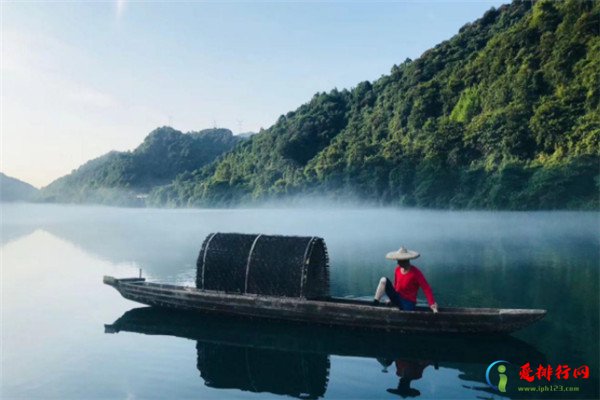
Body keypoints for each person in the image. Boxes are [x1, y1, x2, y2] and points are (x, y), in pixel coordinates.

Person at [373, 246, 438, 313]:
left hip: (408, 303)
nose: (397, 263)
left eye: (399, 261)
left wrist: (432, 303)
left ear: (405, 260)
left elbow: (426, 288)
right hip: (398, 298)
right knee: (383, 280)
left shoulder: (416, 273)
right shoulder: (397, 270)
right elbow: (396, 286)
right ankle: (374, 305)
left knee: (405, 311)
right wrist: (391, 299)